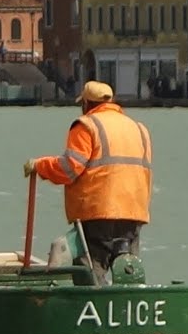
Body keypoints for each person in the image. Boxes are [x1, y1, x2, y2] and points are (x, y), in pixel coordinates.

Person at [25, 81, 151, 284]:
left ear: (86, 103)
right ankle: (129, 308)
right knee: (129, 269)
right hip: (134, 212)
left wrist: (40, 166)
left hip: (98, 211)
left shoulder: (87, 125)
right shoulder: (138, 129)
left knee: (91, 270)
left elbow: (69, 168)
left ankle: (90, 309)